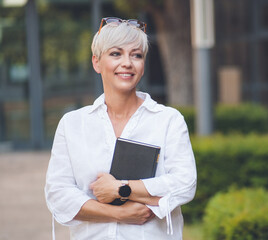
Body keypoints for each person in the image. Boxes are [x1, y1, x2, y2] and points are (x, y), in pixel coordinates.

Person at [45, 17, 197, 240]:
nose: (127, 62)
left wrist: (121, 188)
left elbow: (184, 184)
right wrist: (120, 213)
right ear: (97, 63)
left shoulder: (168, 121)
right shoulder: (73, 124)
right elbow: (58, 194)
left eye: (136, 55)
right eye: (116, 53)